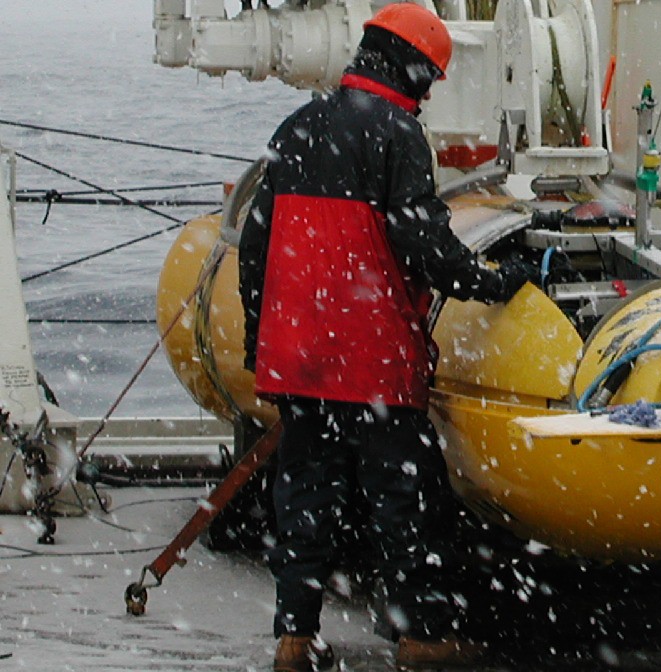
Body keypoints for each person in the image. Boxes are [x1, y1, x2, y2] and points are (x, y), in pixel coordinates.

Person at [237, 4, 536, 671]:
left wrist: (265, 340)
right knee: (405, 500)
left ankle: (294, 637)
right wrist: (494, 283)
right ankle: (419, 634)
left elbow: (255, 249)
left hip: (300, 357)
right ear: (414, 71)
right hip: (371, 358)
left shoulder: (298, 126)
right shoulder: (398, 135)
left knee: (304, 497)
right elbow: (423, 244)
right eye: (430, 79)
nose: (428, 95)